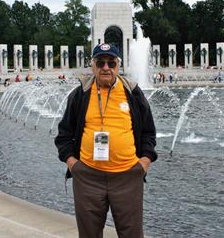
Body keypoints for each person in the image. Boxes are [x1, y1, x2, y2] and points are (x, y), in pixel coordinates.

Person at [55, 43, 157, 238]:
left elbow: (148, 132)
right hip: (88, 177)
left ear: (118, 66)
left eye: (111, 63)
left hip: (128, 176)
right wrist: (73, 165)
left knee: (132, 234)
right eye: (100, 63)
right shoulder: (80, 94)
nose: (106, 68)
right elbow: (64, 134)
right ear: (92, 66)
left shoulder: (133, 92)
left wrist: (144, 163)